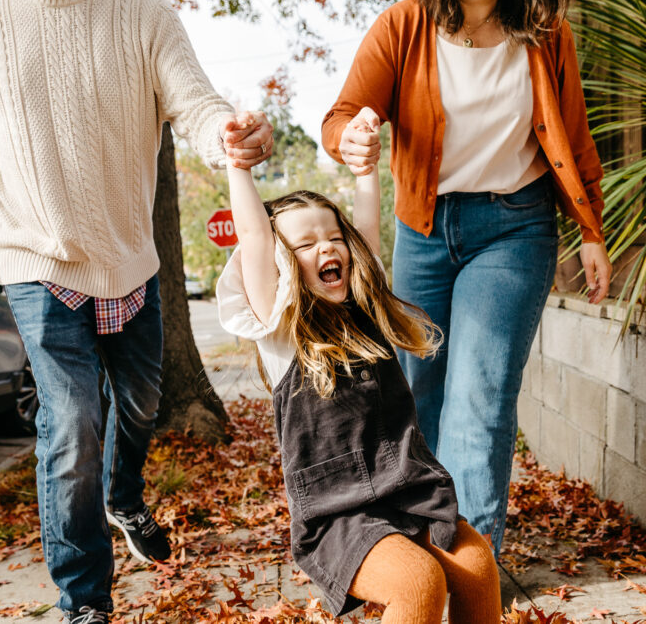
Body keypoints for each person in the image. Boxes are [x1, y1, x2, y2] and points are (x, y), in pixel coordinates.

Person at [0, 0, 272, 623]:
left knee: (140, 405)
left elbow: (196, 103)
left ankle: (123, 497)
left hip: (129, 258)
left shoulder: (145, 12)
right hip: (36, 260)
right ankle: (84, 601)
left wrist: (230, 137)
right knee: (72, 424)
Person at [321, 0, 612, 557]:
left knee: (478, 401)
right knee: (417, 397)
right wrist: (353, 137)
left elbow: (574, 134)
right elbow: (341, 117)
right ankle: (420, 552)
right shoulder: (404, 25)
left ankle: (469, 574)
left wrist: (591, 231)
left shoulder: (544, 32)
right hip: (423, 233)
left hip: (514, 229)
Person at [215, 117, 502, 623]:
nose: (326, 248)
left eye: (333, 237)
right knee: (417, 582)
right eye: (305, 245)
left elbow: (365, 232)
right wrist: (239, 167)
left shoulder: (366, 308)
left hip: (409, 489)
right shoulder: (282, 332)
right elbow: (256, 239)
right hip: (338, 512)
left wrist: (366, 171)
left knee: (478, 565)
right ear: (282, 263)